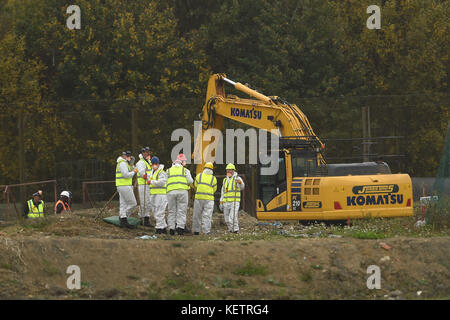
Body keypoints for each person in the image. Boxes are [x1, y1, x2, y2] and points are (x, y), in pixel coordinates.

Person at [165, 153, 193, 235]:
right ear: (181, 162)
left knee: (171, 211)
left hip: (170, 192)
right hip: (182, 192)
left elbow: (165, 181)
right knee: (181, 210)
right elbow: (190, 181)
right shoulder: (185, 171)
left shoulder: (168, 170)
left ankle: (171, 229)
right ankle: (180, 229)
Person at [192, 162, 217, 235]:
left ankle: (196, 231)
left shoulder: (199, 176)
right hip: (209, 199)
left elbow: (195, 185)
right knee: (207, 215)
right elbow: (214, 189)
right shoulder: (213, 178)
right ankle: (206, 231)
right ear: (212, 170)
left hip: (199, 198)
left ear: (204, 168)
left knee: (197, 215)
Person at [116, 150, 138, 228]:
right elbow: (126, 175)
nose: (128, 157)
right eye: (127, 156)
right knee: (133, 203)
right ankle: (123, 217)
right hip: (124, 186)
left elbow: (132, 169)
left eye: (129, 156)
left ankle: (123, 221)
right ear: (123, 156)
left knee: (123, 204)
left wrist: (132, 165)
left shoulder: (125, 163)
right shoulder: (122, 163)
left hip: (122, 185)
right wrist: (134, 172)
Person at [220, 163, 245, 233]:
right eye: (228, 170)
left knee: (232, 217)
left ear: (233, 171)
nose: (229, 171)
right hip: (226, 202)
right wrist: (221, 201)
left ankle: (235, 230)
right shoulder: (225, 180)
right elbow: (223, 192)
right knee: (226, 219)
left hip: (234, 201)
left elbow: (242, 187)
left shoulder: (237, 178)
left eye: (230, 170)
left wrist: (240, 183)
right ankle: (231, 229)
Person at [148, 156, 168, 234]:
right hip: (153, 194)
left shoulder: (162, 172)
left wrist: (151, 182)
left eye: (155, 164)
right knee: (155, 212)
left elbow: (162, 182)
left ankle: (159, 229)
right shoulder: (152, 172)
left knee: (160, 212)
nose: (154, 165)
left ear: (158, 164)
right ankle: (163, 228)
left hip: (161, 195)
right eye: (153, 164)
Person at [136, 146, 152, 227]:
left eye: (149, 152)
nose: (148, 153)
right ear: (142, 153)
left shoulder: (148, 162)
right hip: (143, 185)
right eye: (146, 152)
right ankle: (140, 218)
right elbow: (143, 174)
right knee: (143, 202)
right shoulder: (141, 162)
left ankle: (146, 219)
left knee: (148, 202)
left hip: (148, 184)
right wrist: (148, 176)